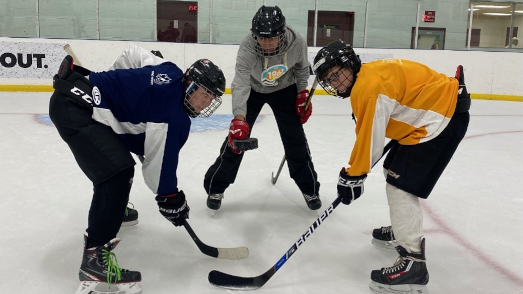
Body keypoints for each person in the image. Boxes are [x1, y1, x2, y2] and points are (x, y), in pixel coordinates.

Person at [49, 45, 225, 294]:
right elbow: (158, 173)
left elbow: (131, 54)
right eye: (204, 94)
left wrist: (115, 85)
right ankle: (94, 262)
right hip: (77, 111)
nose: (206, 102)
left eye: (211, 98)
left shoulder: (169, 69)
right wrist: (171, 198)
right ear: (190, 84)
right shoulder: (174, 117)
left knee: (113, 163)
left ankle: (114, 209)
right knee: (116, 174)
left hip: (76, 93)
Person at [312, 40, 470, 294]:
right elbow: (374, 129)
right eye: (329, 79)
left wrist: (353, 175)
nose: (336, 82)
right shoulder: (367, 76)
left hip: (441, 119)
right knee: (393, 170)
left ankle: (413, 264)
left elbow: (370, 139)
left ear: (350, 65)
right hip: (437, 110)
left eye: (337, 73)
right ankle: (402, 228)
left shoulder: (368, 88)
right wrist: (356, 172)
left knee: (400, 186)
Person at [203, 5, 321, 211]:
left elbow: (302, 69)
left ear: (281, 34)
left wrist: (302, 94)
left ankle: (309, 188)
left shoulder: (297, 42)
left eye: (271, 38)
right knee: (236, 139)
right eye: (261, 37)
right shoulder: (248, 46)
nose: (266, 43)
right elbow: (240, 82)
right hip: (253, 90)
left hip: (285, 89)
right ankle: (216, 186)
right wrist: (239, 118)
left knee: (295, 139)